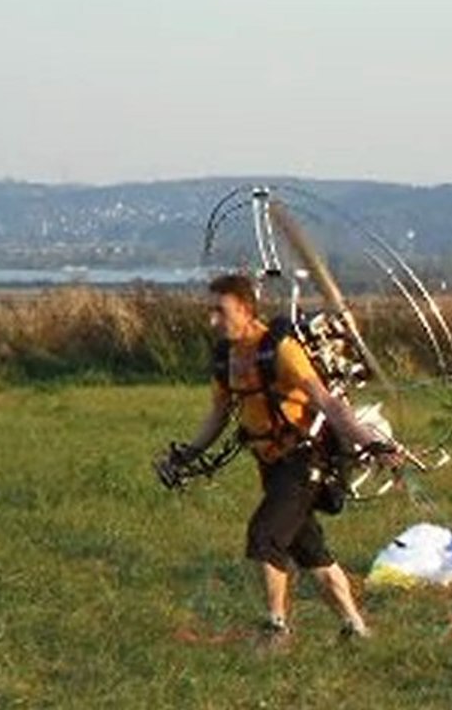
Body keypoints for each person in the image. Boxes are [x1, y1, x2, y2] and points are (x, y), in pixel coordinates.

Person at [184, 273, 386, 642]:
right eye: (210, 311)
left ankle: (276, 628)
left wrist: (370, 442)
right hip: (271, 465)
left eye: (220, 311)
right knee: (311, 553)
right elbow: (219, 414)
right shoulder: (226, 359)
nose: (212, 320)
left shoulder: (280, 350)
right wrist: (188, 454)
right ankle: (356, 627)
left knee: (265, 536)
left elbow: (326, 401)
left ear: (246, 310)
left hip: (304, 461)